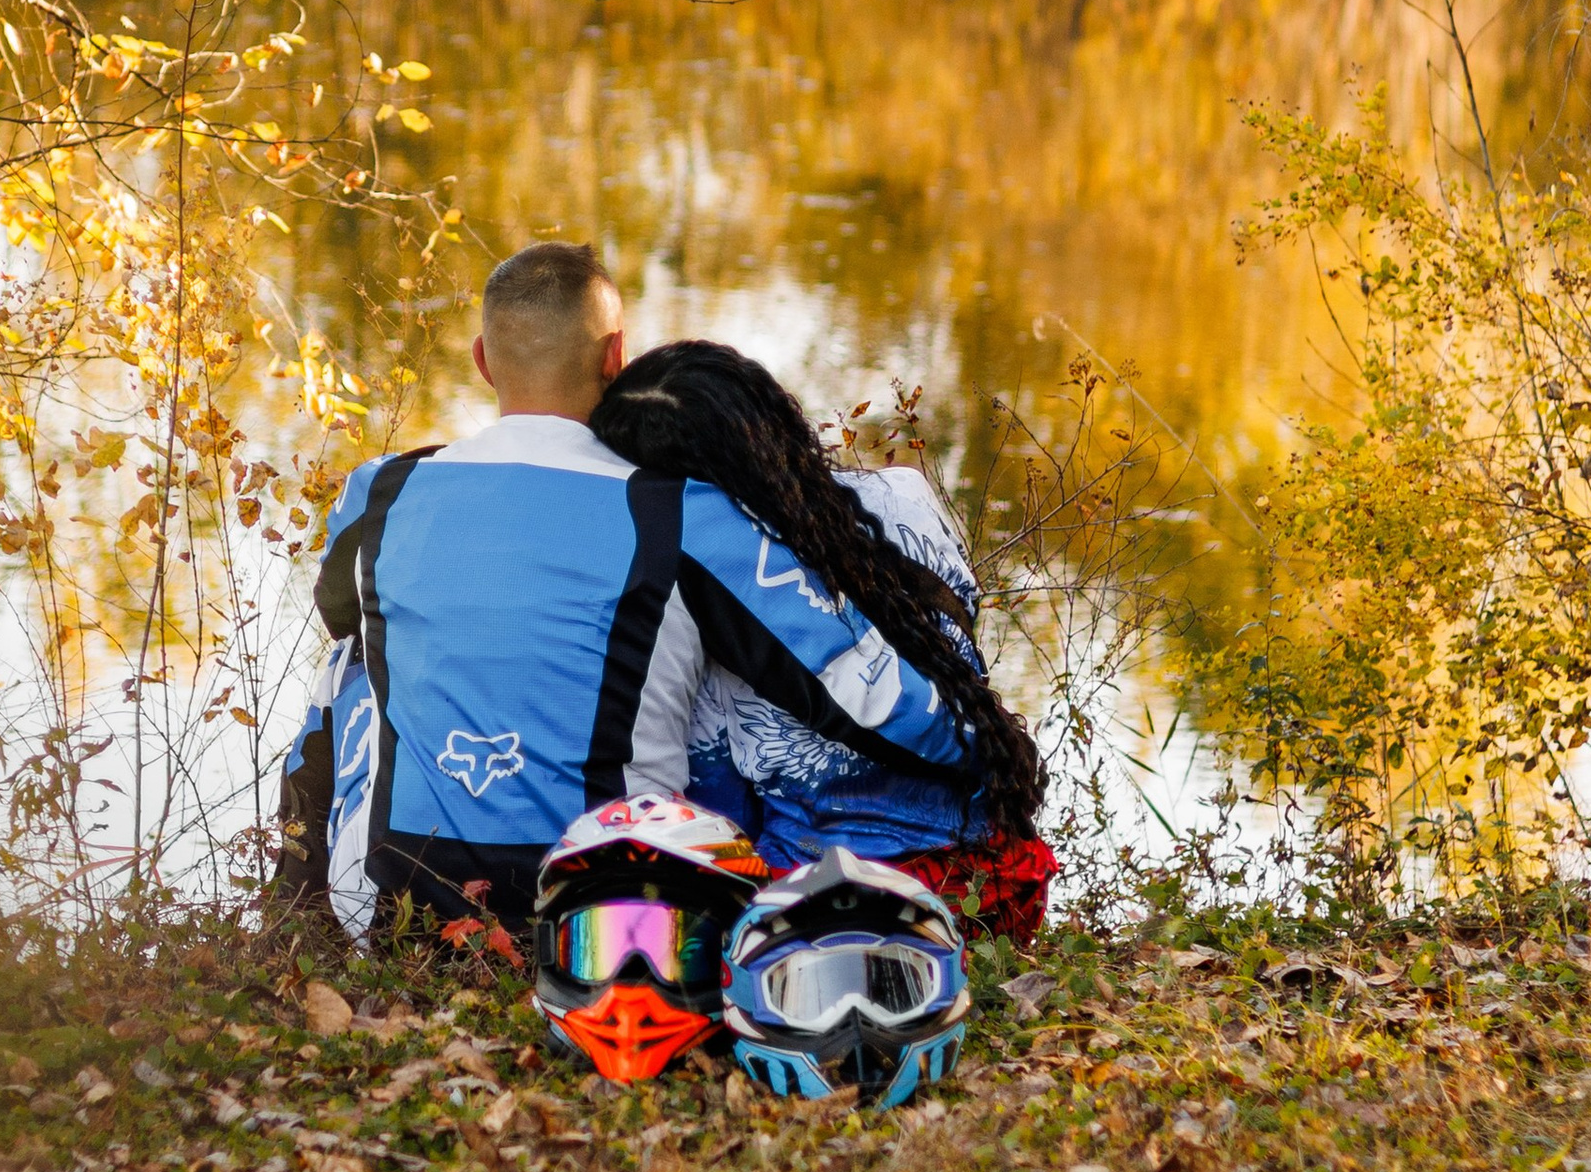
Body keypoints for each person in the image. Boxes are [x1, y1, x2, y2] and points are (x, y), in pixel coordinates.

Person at [278, 242, 981, 944]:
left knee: (350, 665)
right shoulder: (680, 510)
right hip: (605, 916)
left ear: (483, 361)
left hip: (403, 911)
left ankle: (293, 924)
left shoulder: (383, 490)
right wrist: (986, 752)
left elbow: (337, 610)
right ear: (615, 356)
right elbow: (860, 695)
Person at [588, 337, 1056, 944]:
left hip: (820, 913)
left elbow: (715, 810)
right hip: (993, 886)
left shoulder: (707, 580)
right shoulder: (908, 497)